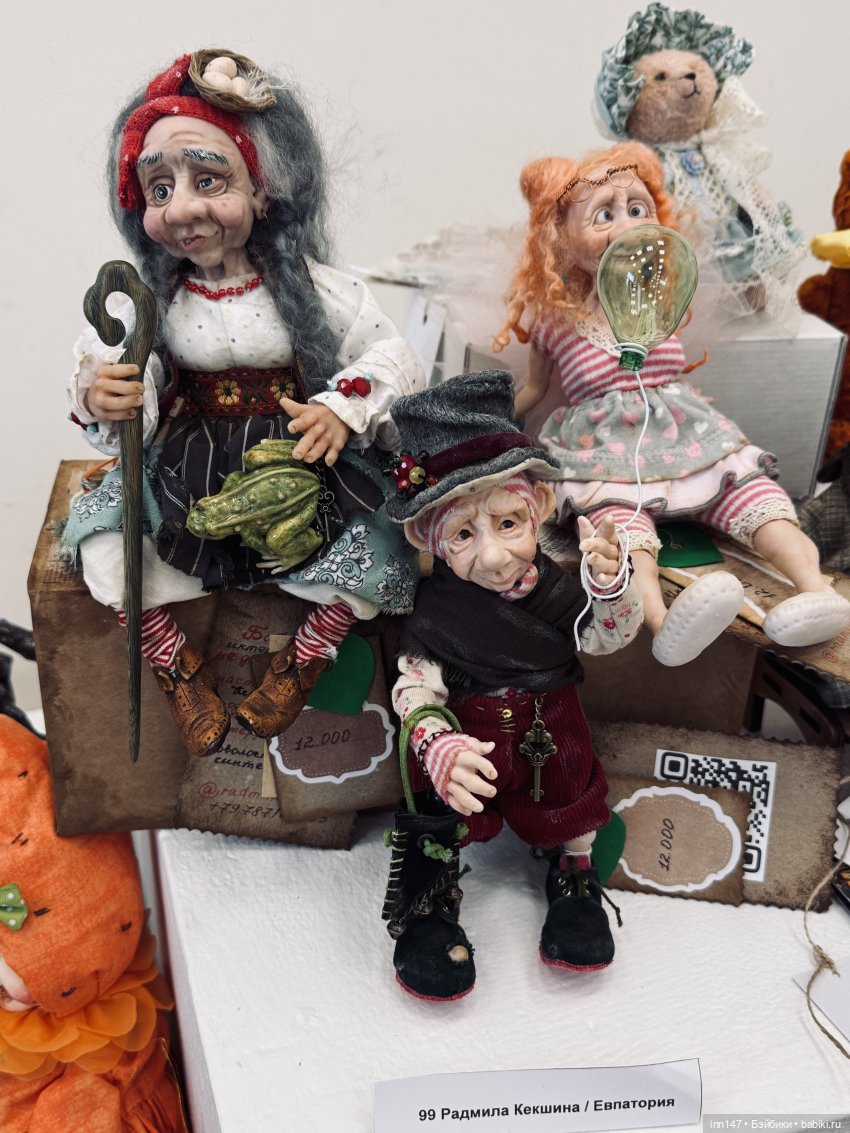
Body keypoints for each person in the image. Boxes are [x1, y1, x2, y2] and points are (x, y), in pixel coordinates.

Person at [63, 49, 424, 756]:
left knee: (384, 542)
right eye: (159, 188)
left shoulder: (319, 290)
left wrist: (341, 407)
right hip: (186, 471)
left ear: (265, 190)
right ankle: (173, 662)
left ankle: (304, 658)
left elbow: (393, 358)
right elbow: (104, 360)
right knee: (104, 543)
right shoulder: (148, 301)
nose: (182, 208)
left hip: (297, 470)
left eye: (208, 180)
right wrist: (105, 391)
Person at [495, 140, 850, 666]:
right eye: (604, 215)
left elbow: (669, 370)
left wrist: (696, 403)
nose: (627, 224)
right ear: (562, 237)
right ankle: (665, 625)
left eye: (637, 208)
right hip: (604, 447)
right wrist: (498, 429)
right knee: (623, 529)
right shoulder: (556, 321)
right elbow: (534, 390)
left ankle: (816, 591)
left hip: (682, 428)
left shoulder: (657, 297)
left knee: (755, 498)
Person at [380, 371, 643, 1001]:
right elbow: (413, 688)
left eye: (507, 524)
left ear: (541, 508)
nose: (495, 558)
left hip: (550, 738)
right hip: (470, 750)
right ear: (426, 538)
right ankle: (429, 891)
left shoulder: (557, 591)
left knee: (570, 786)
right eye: (463, 535)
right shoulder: (436, 616)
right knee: (433, 799)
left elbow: (604, 637)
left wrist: (611, 589)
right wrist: (437, 742)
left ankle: (573, 868)